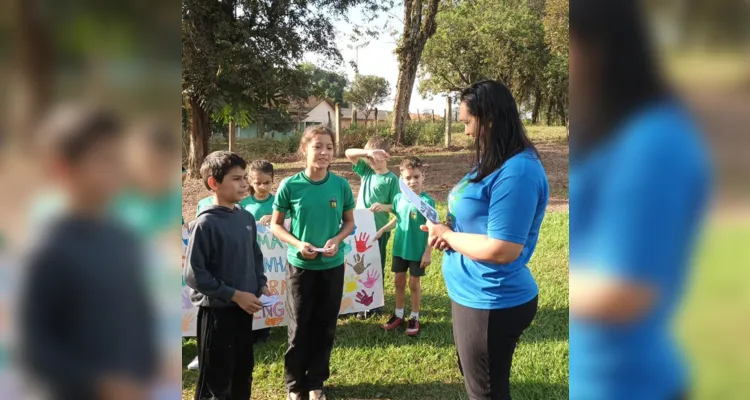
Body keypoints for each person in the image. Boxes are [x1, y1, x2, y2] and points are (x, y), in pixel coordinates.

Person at [568, 2, 712, 399]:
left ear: (601, 46)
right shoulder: (599, 132)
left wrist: (506, 257)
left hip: (627, 384)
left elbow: (627, 291)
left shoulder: (655, 140)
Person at [422, 80, 549, 400]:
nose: (465, 132)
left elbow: (502, 249)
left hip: (492, 299)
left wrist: (450, 235)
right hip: (472, 293)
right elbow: (477, 219)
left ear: (489, 118)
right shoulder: (495, 159)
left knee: (486, 393)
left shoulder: (518, 171)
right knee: (477, 383)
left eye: (467, 122)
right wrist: (449, 232)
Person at [19, 105, 157, 400]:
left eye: (120, 158)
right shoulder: (49, 249)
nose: (119, 169)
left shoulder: (124, 240)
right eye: (105, 159)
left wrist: (144, 371)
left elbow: (139, 315)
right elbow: (35, 347)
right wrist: (100, 384)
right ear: (62, 167)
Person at [270, 125, 355, 400]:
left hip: (332, 266)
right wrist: (297, 244)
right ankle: (295, 386)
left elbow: (349, 222)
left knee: (325, 325)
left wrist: (337, 240)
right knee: (299, 328)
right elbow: (276, 225)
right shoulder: (289, 185)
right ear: (304, 149)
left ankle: (317, 382)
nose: (324, 152)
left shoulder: (341, 185)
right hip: (301, 267)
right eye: (318, 146)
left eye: (329, 147)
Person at [184, 151, 270, 400]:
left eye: (245, 178)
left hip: (243, 312)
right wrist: (234, 295)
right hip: (217, 314)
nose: (244, 183)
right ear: (214, 183)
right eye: (236, 178)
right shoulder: (205, 224)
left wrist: (260, 284)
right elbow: (194, 274)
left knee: (242, 370)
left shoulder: (245, 218)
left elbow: (255, 255)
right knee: (216, 379)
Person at [375, 156, 434, 336]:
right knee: (398, 282)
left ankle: (414, 316)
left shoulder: (426, 202)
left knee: (413, 284)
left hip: (417, 251)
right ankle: (398, 314)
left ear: (423, 176)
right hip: (400, 249)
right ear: (401, 178)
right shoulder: (399, 198)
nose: (412, 181)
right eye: (408, 178)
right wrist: (382, 230)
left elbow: (433, 228)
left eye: (416, 177)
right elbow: (397, 218)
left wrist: (427, 252)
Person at [344, 136, 400, 319]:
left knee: (375, 264)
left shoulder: (392, 180)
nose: (372, 162)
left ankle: (373, 303)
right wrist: (367, 153)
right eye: (369, 158)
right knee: (357, 264)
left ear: (386, 156)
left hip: (378, 230)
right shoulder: (366, 172)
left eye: (376, 158)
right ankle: (356, 301)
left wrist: (384, 207)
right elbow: (348, 153)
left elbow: (397, 207)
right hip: (359, 228)